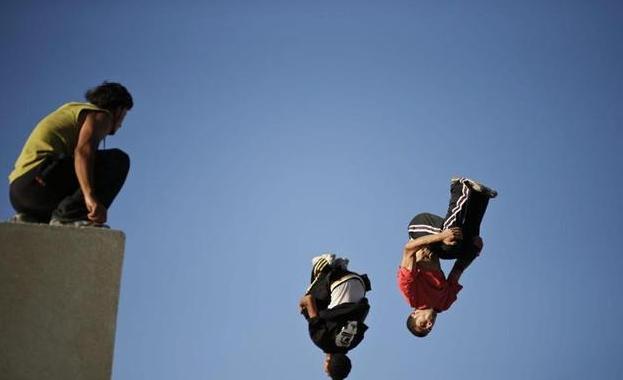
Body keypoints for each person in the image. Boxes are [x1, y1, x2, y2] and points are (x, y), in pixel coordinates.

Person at [8, 81, 133, 227]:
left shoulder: (73, 110)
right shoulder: (101, 115)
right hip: (38, 183)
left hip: (20, 194)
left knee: (82, 172)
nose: (121, 124)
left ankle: (34, 218)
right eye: (124, 116)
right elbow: (83, 153)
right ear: (118, 110)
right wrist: (90, 197)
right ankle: (70, 216)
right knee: (118, 160)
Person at [398, 177, 497, 337]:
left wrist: (441, 236)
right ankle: (480, 197)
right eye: (430, 327)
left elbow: (409, 249)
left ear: (414, 314)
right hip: (438, 246)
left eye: (423, 325)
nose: (430, 324)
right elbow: (458, 270)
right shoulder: (443, 303)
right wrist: (474, 252)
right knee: (466, 246)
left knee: (449, 242)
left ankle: (459, 186)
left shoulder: (411, 293)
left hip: (419, 229)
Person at [299, 254, 371, 379]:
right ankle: (324, 267)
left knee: (328, 313)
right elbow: (309, 300)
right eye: (327, 373)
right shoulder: (322, 341)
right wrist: (301, 304)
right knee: (307, 310)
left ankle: (339, 267)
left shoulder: (354, 343)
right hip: (339, 284)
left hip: (360, 284)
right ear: (327, 364)